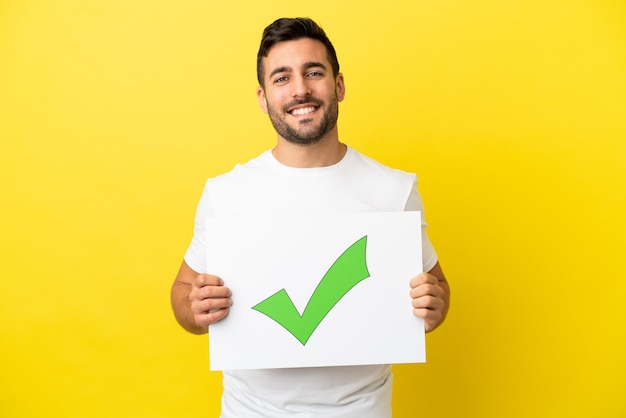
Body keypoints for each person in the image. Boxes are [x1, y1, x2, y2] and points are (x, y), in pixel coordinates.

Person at [170, 17, 450, 417]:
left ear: (338, 85)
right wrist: (194, 309)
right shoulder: (226, 193)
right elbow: (182, 291)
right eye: (281, 77)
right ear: (264, 97)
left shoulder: (393, 190)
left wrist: (435, 305)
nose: (300, 89)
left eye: (313, 72)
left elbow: (437, 290)